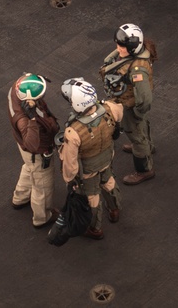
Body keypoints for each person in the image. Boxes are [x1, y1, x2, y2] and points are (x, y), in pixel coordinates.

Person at [58, 78, 123, 240]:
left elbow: (70, 163)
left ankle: (95, 228)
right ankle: (115, 209)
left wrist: (70, 180)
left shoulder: (73, 132)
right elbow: (119, 113)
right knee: (108, 182)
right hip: (107, 157)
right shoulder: (110, 108)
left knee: (92, 196)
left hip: (88, 170)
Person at [99, 22, 156, 185]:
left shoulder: (138, 70)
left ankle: (144, 169)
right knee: (141, 128)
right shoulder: (130, 55)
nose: (118, 48)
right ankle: (147, 145)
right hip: (126, 100)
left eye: (122, 46)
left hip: (130, 106)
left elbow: (144, 98)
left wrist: (137, 114)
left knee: (136, 135)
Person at [7, 73, 60, 229]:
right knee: (43, 186)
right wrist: (32, 119)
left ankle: (20, 198)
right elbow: (32, 145)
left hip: (25, 150)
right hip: (37, 152)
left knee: (30, 169)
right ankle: (42, 217)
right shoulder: (25, 120)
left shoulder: (16, 90)